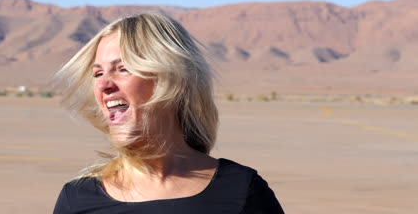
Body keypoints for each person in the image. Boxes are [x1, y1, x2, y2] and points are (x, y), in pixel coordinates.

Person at [53, 12, 284, 213]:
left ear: (173, 77)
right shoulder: (77, 199)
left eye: (123, 69)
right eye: (97, 74)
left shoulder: (241, 190)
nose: (104, 85)